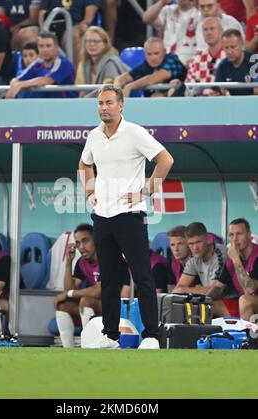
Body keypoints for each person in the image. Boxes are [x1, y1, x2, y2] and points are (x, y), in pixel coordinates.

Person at [79, 84, 174, 349]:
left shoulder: (135, 133)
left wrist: (145, 191)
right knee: (108, 279)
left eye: (109, 102)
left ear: (121, 105)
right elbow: (84, 164)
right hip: (102, 216)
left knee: (143, 277)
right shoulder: (94, 136)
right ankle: (110, 336)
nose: (104, 108)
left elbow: (165, 160)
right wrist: (90, 194)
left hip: (130, 216)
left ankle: (152, 336)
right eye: (100, 103)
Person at [54, 223, 130, 347]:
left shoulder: (109, 258)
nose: (81, 247)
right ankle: (68, 349)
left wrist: (69, 294)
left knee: (86, 301)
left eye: (85, 241)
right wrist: (68, 262)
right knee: (62, 305)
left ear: (95, 240)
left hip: (117, 306)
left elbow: (97, 291)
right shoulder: (81, 262)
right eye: (78, 243)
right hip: (97, 305)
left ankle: (87, 345)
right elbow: (69, 288)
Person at [172, 222, 237, 317]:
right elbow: (177, 290)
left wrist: (190, 290)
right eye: (191, 243)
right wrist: (197, 289)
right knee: (181, 307)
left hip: (232, 301)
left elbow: (214, 292)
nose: (195, 248)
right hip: (211, 301)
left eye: (199, 242)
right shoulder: (194, 259)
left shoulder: (220, 254)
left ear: (208, 239)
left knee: (201, 308)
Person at [207, 218, 258, 320]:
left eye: (239, 234)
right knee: (209, 306)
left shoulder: (256, 256)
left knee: (245, 300)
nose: (235, 239)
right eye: (231, 235)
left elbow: (250, 290)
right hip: (245, 304)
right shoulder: (231, 259)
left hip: (250, 301)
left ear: (249, 235)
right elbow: (219, 287)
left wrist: (236, 259)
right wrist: (203, 300)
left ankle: (247, 335)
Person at [5, 31, 77, 99]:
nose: (45, 50)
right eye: (41, 46)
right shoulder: (38, 63)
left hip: (65, 106)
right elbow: (19, 78)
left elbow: (47, 80)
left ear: (56, 47)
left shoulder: (63, 63)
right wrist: (14, 84)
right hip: (44, 106)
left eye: (48, 46)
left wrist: (20, 85)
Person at [114, 37, 187, 97]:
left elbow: (158, 77)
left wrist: (129, 87)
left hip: (182, 103)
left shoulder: (172, 59)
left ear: (164, 51)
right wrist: (117, 90)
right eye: (149, 54)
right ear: (145, 55)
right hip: (152, 108)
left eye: (156, 53)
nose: (153, 57)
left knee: (157, 96)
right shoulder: (146, 65)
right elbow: (123, 78)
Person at [38, 0, 101, 70]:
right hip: (51, 27)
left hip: (74, 27)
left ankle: (77, 76)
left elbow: (88, 18)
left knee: (75, 35)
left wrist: (83, 25)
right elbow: (42, 16)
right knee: (28, 34)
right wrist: (44, 33)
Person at [75, 26, 129, 98]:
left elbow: (107, 91)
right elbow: (82, 92)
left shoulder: (111, 63)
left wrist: (86, 99)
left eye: (96, 41)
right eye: (88, 41)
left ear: (105, 43)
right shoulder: (83, 65)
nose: (92, 44)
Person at [142, 0, 200, 65]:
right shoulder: (168, 10)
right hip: (168, 61)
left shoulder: (200, 12)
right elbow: (147, 18)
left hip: (191, 61)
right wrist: (162, 2)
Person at [214, 28, 258, 95]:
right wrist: (216, 93)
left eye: (233, 47)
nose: (229, 51)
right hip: (233, 103)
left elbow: (256, 92)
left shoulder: (255, 61)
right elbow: (218, 90)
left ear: (242, 44)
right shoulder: (223, 65)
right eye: (226, 48)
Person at [166, 225, 193, 292]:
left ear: (189, 244)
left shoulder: (198, 262)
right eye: (172, 245)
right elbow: (171, 291)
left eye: (180, 244)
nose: (176, 249)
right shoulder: (171, 263)